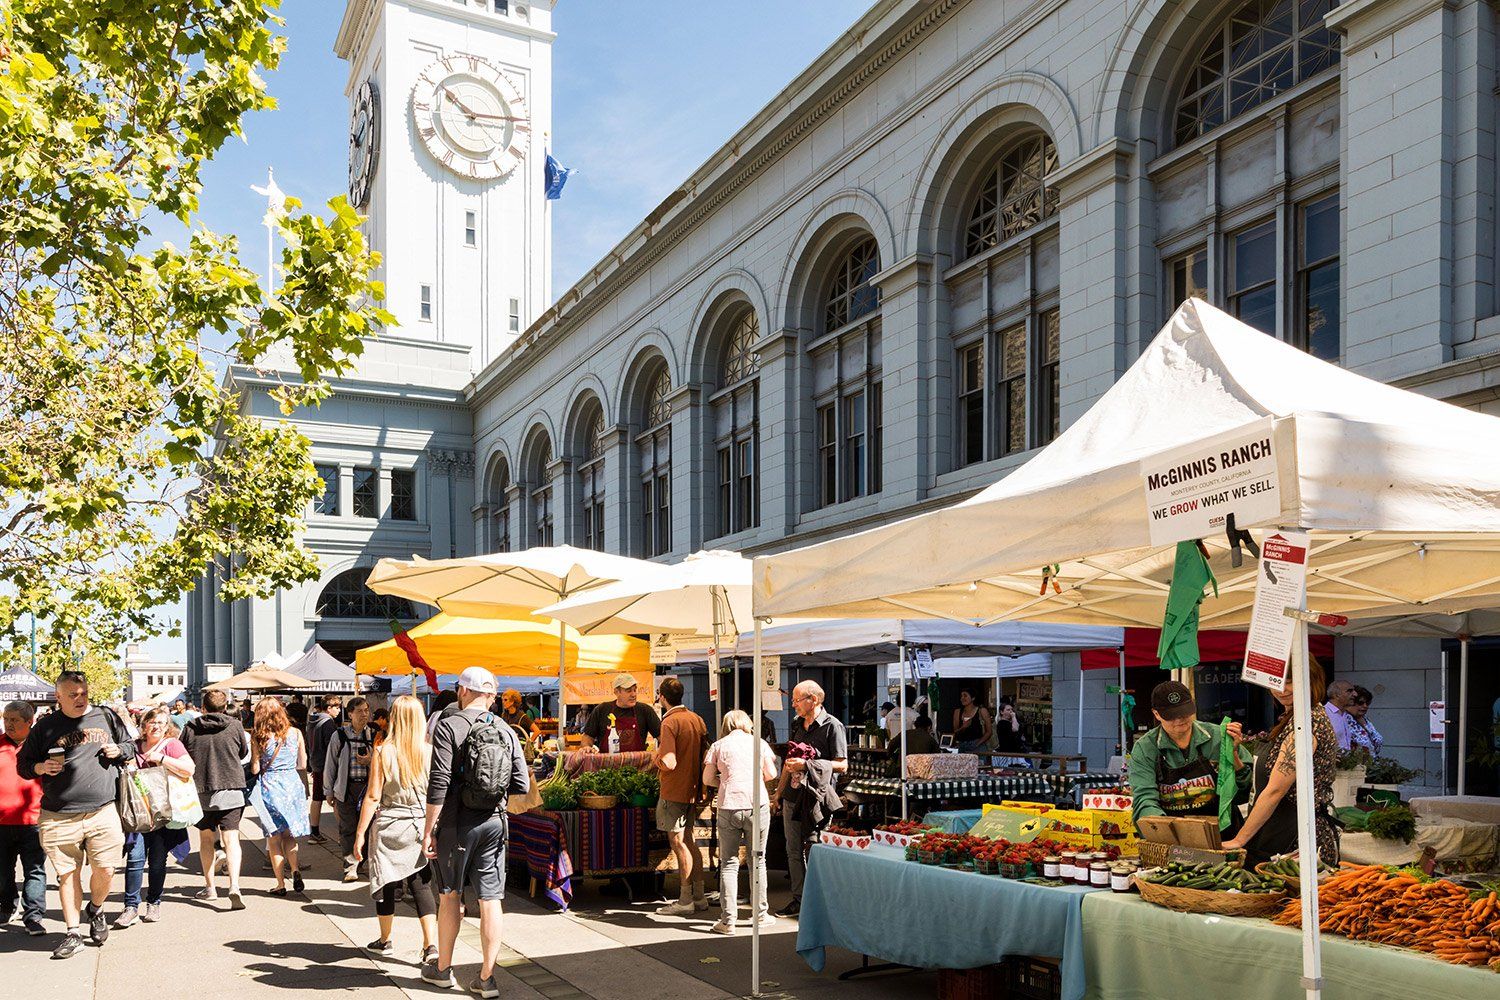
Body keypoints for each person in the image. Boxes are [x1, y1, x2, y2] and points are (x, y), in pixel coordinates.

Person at [422, 667, 528, 996]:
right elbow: (522, 783)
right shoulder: (506, 729)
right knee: (491, 899)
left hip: (457, 822)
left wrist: (428, 830)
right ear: (493, 697)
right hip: (495, 822)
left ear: (462, 691)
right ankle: (486, 978)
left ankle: (442, 970)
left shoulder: (448, 724)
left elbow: (438, 782)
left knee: (450, 895)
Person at [16, 670, 133, 958]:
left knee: (106, 869)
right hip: (58, 814)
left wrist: (118, 749)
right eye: (73, 695)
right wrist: (42, 768)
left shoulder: (107, 716)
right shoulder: (45, 727)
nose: (80, 699)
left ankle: (96, 908)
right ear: (58, 697)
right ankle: (73, 933)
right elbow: (24, 764)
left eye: (84, 693)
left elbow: (130, 747)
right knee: (68, 874)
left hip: (103, 810)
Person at [1224, 657, 1341, 867]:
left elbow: (1276, 789)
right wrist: (1234, 753)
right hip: (1273, 830)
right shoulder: (1290, 718)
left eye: (1289, 682)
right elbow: (1263, 779)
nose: (1281, 690)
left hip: (1295, 838)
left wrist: (1240, 840)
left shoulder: (1307, 722)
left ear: (1310, 679)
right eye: (1275, 682)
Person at [354, 695, 438, 962]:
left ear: (394, 720)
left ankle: (385, 939)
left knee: (387, 882)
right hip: (420, 824)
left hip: (390, 824)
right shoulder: (431, 752)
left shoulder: (383, 751)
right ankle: (430, 946)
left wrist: (359, 835)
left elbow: (372, 796)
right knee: (421, 885)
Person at [1128, 681, 1249, 832]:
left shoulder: (1219, 738)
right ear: (1156, 714)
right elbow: (1144, 799)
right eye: (1171, 715)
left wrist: (1234, 756)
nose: (1180, 719)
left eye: (1184, 711)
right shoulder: (1145, 749)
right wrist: (1166, 832)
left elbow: (1245, 794)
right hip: (1171, 838)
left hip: (1223, 836)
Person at [771, 680, 847, 919]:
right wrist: (778, 793)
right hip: (794, 795)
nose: (792, 704)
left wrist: (807, 764)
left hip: (817, 797)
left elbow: (842, 765)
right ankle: (800, 899)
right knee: (792, 849)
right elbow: (788, 763)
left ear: (813, 700)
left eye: (796, 700)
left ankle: (820, 901)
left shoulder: (833, 726)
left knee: (816, 848)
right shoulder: (796, 724)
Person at [115, 707, 193, 927]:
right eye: (152, 722)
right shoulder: (134, 746)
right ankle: (130, 907)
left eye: (161, 722)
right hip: (137, 812)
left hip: (162, 813)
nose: (156, 726)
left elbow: (189, 769)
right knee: (135, 858)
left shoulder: (172, 745)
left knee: (158, 860)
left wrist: (162, 758)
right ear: (144, 725)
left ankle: (154, 902)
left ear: (167, 726)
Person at [702, 709, 778, 935]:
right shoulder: (759, 743)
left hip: (729, 805)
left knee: (729, 863)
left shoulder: (718, 745)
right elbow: (772, 773)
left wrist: (724, 782)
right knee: (758, 859)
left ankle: (728, 921)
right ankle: (761, 914)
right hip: (757, 804)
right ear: (747, 724)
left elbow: (706, 778)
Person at [181, 689, 251, 910]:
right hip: (231, 787)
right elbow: (242, 752)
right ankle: (234, 885)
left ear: (203, 707)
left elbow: (183, 755)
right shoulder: (235, 725)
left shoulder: (190, 728)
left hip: (201, 790)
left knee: (206, 840)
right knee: (232, 841)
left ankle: (210, 888)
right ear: (224, 707)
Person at [652, 676, 708, 916]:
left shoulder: (669, 722)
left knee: (678, 842)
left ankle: (685, 899)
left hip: (674, 789)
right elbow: (706, 755)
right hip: (693, 789)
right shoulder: (697, 719)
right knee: (690, 841)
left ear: (662, 698)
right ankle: (699, 895)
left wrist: (655, 758)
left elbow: (669, 762)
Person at [249, 697, 309, 896]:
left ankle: (281, 884)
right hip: (292, 784)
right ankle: (296, 869)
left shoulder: (259, 736)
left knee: (274, 839)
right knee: (289, 836)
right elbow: (302, 763)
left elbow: (256, 768)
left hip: (270, 786)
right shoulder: (296, 733)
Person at [1, 700, 45, 936]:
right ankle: (7, 905)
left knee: (35, 871)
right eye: (6, 719)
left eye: (14, 720)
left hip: (33, 821)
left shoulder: (40, 748)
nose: (8, 724)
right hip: (2, 822)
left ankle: (34, 916)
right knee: (3, 871)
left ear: (30, 721)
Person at [324, 695, 375, 882]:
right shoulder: (339, 735)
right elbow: (331, 765)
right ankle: (350, 866)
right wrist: (328, 791)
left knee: (369, 828)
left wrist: (371, 761)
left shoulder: (374, 735)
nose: (364, 714)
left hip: (369, 789)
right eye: (360, 711)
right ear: (350, 713)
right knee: (347, 829)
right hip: (346, 788)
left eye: (366, 710)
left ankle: (363, 862)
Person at [580, 674, 661, 753]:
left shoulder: (645, 710)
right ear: (616, 692)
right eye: (628, 691)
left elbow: (662, 737)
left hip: (637, 765)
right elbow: (587, 738)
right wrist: (587, 747)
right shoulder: (601, 710)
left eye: (635, 690)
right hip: (608, 765)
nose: (633, 694)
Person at [306, 695, 341, 843]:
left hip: (316, 763)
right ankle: (343, 835)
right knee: (336, 799)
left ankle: (314, 831)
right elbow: (332, 747)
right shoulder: (328, 723)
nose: (339, 710)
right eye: (337, 707)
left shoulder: (312, 721)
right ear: (329, 708)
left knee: (317, 798)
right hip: (327, 765)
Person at [951, 689, 993, 753]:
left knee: (979, 763)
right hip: (962, 745)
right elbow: (955, 732)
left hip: (978, 745)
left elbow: (989, 732)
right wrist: (963, 727)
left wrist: (977, 744)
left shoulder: (982, 711)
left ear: (973, 698)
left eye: (965, 696)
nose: (962, 698)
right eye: (961, 696)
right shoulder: (957, 712)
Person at [1347, 686, 1383, 757]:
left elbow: (1377, 741)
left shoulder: (1365, 719)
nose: (1365, 706)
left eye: (1367, 703)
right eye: (1360, 703)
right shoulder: (1344, 719)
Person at [1322, 679, 1357, 752]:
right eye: (1349, 691)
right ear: (1337, 695)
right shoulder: (1324, 713)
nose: (1355, 694)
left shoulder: (1345, 714)